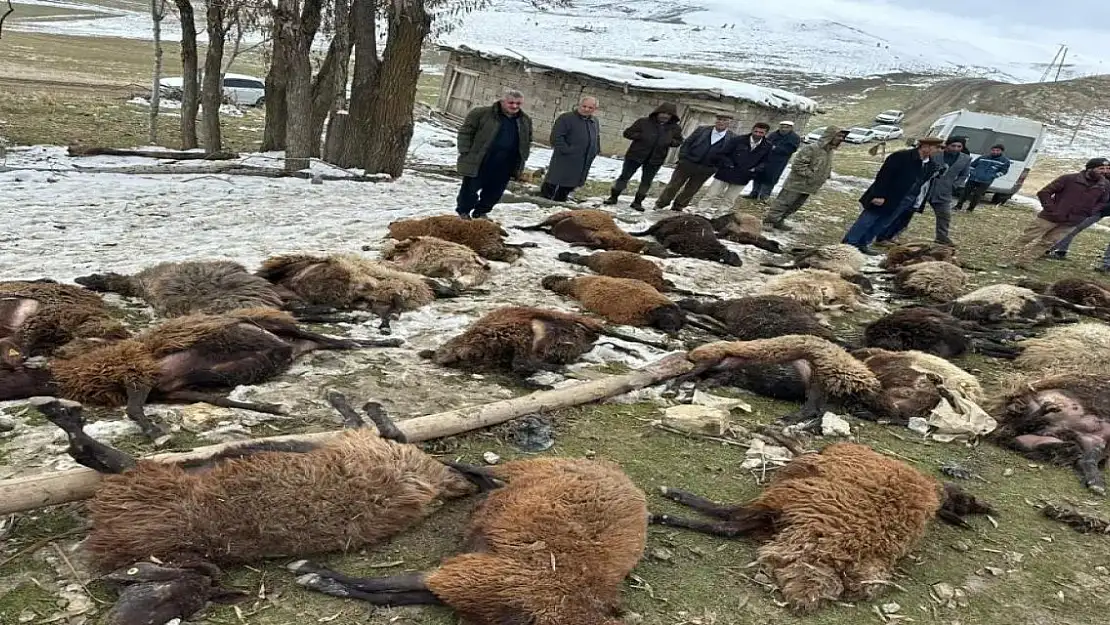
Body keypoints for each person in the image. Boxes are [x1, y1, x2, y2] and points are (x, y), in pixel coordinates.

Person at [841, 137, 946, 255]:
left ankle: (863, 243)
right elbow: (883, 176)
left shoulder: (931, 164)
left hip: (906, 198)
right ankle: (849, 244)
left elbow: (922, 182)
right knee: (868, 220)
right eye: (937, 147)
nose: (939, 150)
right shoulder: (901, 157)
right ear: (925, 146)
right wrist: (879, 195)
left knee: (883, 223)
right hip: (887, 195)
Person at [1006, 158, 1110, 270]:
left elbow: (1102, 202)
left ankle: (1026, 261)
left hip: (1072, 221)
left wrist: (1089, 212)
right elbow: (1044, 192)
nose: (1104, 171)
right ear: (1090, 168)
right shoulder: (1069, 178)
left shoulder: (1105, 184)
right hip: (1050, 217)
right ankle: (1006, 258)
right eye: (1101, 168)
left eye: (1106, 168)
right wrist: (1051, 208)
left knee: (1048, 243)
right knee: (1027, 237)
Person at [875, 136, 971, 246]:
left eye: (959, 146)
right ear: (947, 145)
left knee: (945, 215)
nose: (955, 148)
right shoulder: (935, 153)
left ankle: (942, 237)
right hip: (923, 189)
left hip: (944, 191)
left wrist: (954, 185)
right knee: (904, 213)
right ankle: (886, 235)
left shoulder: (965, 159)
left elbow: (964, 175)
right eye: (953, 145)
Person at [455, 88, 533, 220]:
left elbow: (528, 139)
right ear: (502, 101)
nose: (514, 106)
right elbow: (466, 132)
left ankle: (481, 212)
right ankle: (464, 212)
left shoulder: (525, 120)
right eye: (511, 103)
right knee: (470, 189)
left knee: (494, 192)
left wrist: (523, 157)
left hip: (506, 162)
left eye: (518, 104)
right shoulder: (482, 113)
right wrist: (465, 151)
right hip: (481, 159)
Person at [762, 126, 848, 231]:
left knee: (795, 206)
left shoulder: (829, 151)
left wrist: (825, 175)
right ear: (830, 135)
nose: (841, 139)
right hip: (797, 183)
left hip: (810, 186)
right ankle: (769, 221)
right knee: (783, 203)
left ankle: (779, 220)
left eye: (842, 137)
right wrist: (811, 175)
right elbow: (798, 165)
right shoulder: (812, 148)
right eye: (839, 136)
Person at [603, 103, 684, 211]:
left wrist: (669, 141)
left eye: (668, 114)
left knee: (646, 181)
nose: (665, 116)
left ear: (672, 116)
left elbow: (678, 141)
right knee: (624, 177)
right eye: (663, 113)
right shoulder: (643, 122)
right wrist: (641, 136)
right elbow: (627, 133)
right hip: (635, 155)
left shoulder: (674, 128)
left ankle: (637, 202)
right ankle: (613, 197)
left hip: (656, 159)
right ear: (657, 112)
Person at [654, 113, 735, 211]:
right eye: (719, 119)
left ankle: (678, 206)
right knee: (674, 185)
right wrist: (683, 158)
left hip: (707, 168)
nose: (721, 122)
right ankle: (661, 204)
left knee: (692, 189)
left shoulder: (732, 138)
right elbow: (687, 143)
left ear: (730, 123)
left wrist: (715, 167)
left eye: (725, 120)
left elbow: (729, 154)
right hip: (688, 163)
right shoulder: (702, 130)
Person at [541, 96, 601, 202]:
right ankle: (544, 203)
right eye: (584, 106)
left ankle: (560, 203)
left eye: (590, 108)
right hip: (565, 159)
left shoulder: (594, 121)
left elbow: (596, 137)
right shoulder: (566, 118)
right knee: (554, 183)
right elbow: (556, 137)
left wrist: (595, 150)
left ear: (595, 109)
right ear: (579, 105)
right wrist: (567, 150)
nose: (586, 109)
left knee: (570, 185)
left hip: (583, 161)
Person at [700, 122, 772, 209]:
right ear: (752, 130)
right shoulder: (738, 140)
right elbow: (722, 153)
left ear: (765, 133)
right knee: (711, 195)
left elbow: (766, 162)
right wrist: (728, 164)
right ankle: (700, 213)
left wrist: (755, 169)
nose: (757, 134)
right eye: (756, 131)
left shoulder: (767, 146)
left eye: (761, 132)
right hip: (726, 172)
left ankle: (720, 218)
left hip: (744, 175)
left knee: (729, 200)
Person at [747, 121, 801, 200]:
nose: (784, 129)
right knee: (758, 175)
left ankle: (764, 196)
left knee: (771, 178)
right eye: (782, 127)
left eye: (786, 127)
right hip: (766, 158)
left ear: (791, 128)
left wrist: (776, 149)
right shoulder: (773, 134)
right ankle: (754, 193)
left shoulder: (794, 137)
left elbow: (792, 149)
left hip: (778, 162)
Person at [1045, 202, 1110, 260]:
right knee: (1070, 229)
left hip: (1096, 211)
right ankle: (1061, 251)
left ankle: (1050, 249)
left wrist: (1099, 208)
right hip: (1088, 208)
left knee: (1073, 229)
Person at [955, 144, 1010, 212]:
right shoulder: (983, 157)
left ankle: (970, 209)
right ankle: (958, 206)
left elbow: (1003, 171)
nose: (995, 152)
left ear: (1001, 151)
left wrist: (993, 176)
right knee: (965, 193)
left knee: (977, 195)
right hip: (973, 178)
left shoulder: (1005, 161)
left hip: (985, 181)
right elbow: (972, 165)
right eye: (993, 150)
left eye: (997, 150)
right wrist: (972, 172)